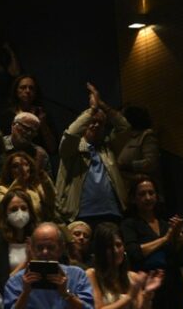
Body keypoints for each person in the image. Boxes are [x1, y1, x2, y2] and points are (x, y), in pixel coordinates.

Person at [56, 82, 132, 226]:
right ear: (84, 123)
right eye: (92, 121)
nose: (96, 125)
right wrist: (92, 110)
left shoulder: (108, 148)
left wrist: (102, 105)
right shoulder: (72, 148)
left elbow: (125, 128)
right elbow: (71, 134)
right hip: (80, 215)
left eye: (100, 123)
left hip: (111, 213)